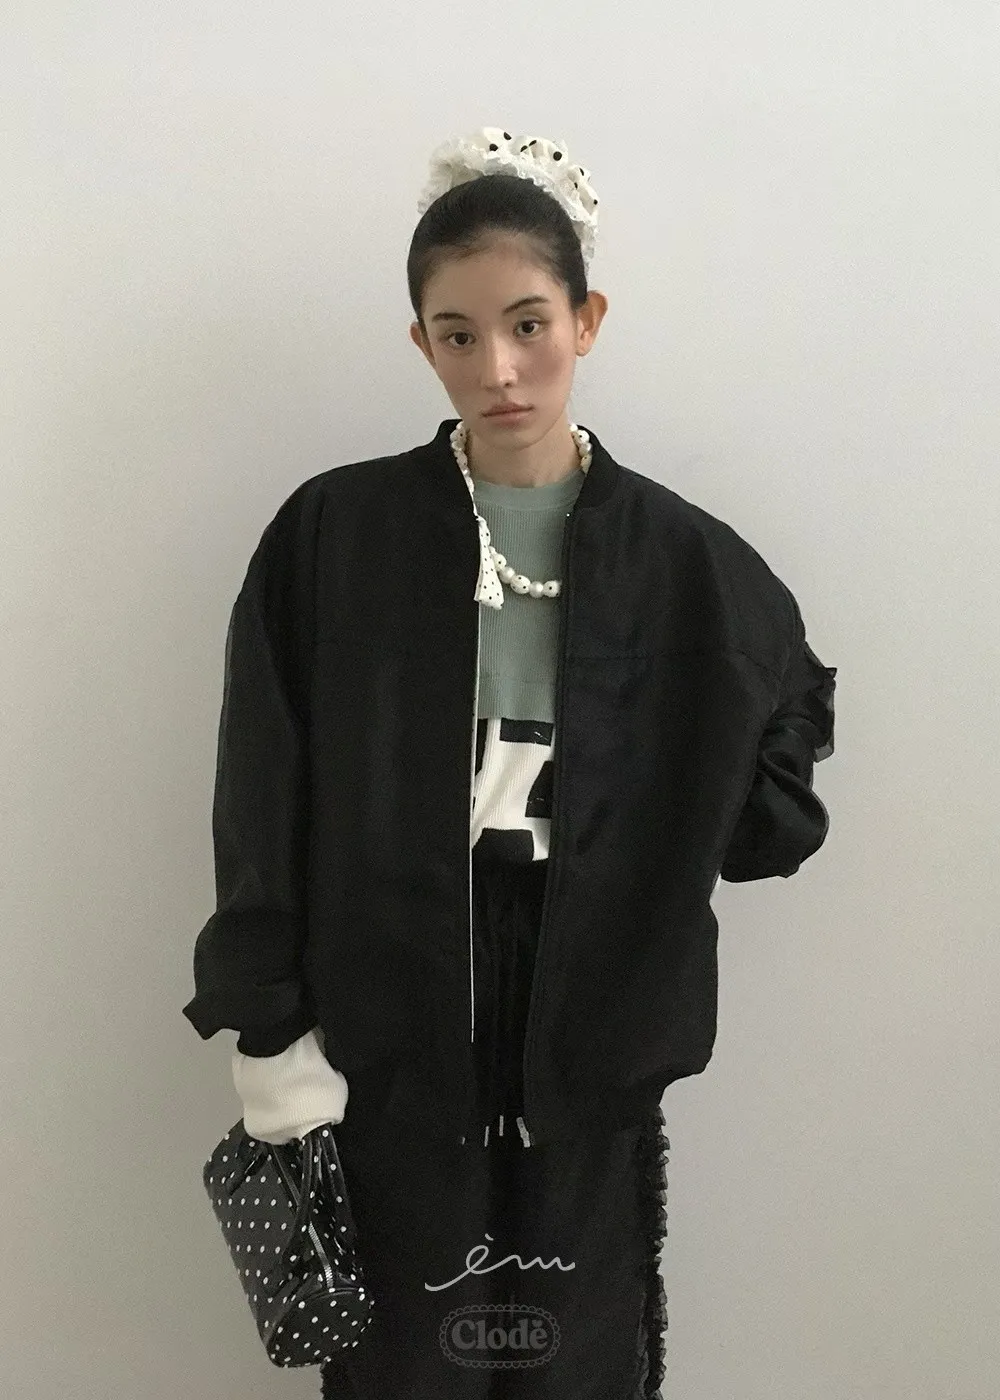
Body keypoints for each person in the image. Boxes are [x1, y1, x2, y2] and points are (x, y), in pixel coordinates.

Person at [182, 127, 837, 1399]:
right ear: (420, 342)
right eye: (459, 333)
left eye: (529, 324)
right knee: (404, 1334)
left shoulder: (680, 557)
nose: (499, 367)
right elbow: (260, 783)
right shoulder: (336, 533)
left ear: (586, 320)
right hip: (390, 975)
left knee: (573, 1327)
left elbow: (782, 730)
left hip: (594, 978)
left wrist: (695, 805)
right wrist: (266, 1012)